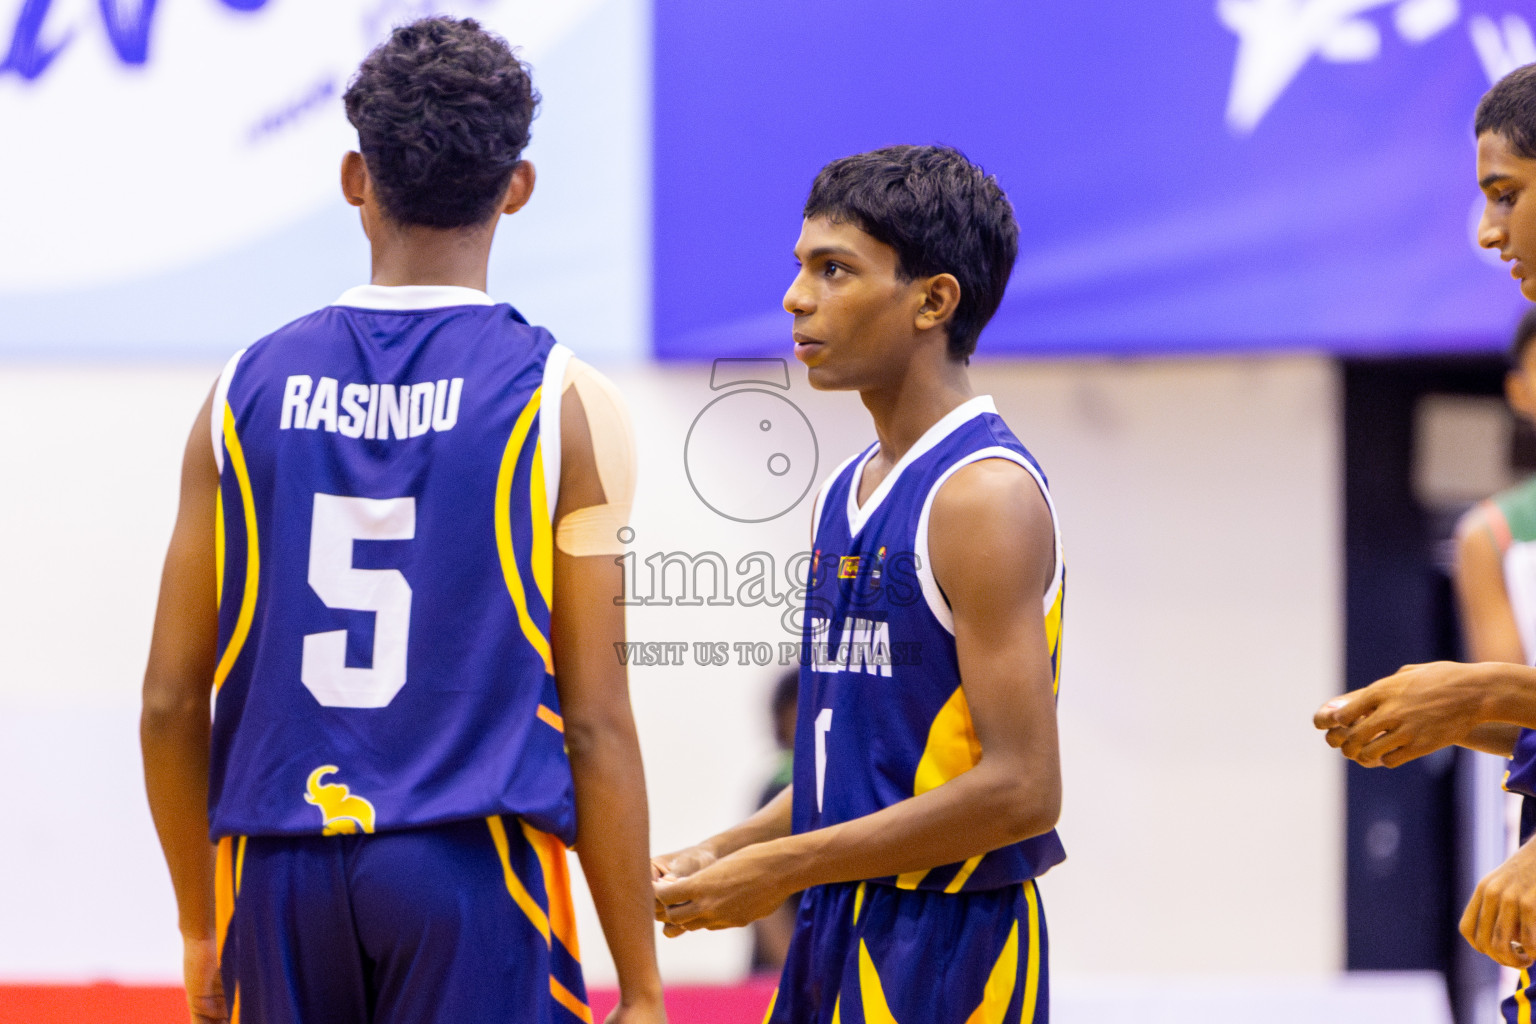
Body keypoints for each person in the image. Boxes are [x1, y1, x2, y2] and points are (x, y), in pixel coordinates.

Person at [139, 18, 664, 1024]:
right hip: (471, 863)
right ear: (517, 186)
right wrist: (640, 984)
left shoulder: (239, 390)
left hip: (276, 864)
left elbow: (169, 699)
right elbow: (596, 720)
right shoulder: (563, 402)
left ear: (353, 176)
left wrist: (201, 921)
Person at [653, 146, 1066, 1024]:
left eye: (834, 270)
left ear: (933, 299)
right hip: (837, 916)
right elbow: (866, 766)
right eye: (800, 267)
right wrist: (725, 848)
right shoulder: (845, 490)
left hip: (950, 940)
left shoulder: (982, 495)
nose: (796, 297)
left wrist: (789, 865)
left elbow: (1025, 789)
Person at [1316, 62, 1536, 1018]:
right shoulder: (1499, 526)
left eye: (1506, 195)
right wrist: (1451, 712)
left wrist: (1482, 690)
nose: (1488, 234)